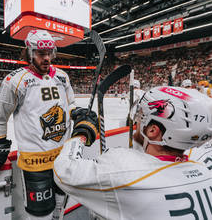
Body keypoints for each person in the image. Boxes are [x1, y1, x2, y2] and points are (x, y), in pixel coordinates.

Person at [53, 86, 212, 220]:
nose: (136, 120)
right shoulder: (204, 171)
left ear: (152, 130)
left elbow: (64, 171)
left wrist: (82, 132)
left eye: (142, 116)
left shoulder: (126, 169)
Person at [0, 30, 76, 220]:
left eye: (49, 53)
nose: (46, 58)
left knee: (60, 204)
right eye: (41, 54)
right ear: (29, 52)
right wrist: (1, 144)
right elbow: (0, 116)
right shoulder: (15, 81)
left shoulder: (62, 76)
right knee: (40, 214)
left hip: (62, 156)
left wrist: (80, 114)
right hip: (36, 161)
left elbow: (71, 104)